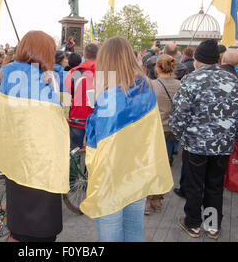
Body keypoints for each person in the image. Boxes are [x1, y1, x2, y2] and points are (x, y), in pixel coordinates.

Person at [80, 37, 173, 242]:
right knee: (133, 235)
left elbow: (98, 144)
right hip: (137, 175)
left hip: (111, 180)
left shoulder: (108, 98)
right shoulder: (146, 89)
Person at [0, 31, 70, 242]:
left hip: (16, 161)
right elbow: (57, 119)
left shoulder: (10, 75)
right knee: (41, 232)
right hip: (39, 167)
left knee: (18, 227)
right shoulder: (40, 83)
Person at [170, 39, 238, 240]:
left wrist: (180, 136)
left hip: (196, 144)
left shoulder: (191, 80)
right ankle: (212, 226)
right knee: (215, 185)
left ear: (198, 60)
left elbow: (180, 114)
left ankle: (193, 224)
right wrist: (235, 138)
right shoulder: (233, 80)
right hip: (223, 145)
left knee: (195, 185)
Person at [145, 55, 181, 216]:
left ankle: (146, 199)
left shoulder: (151, 85)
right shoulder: (180, 85)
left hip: (153, 128)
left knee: (148, 164)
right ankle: (157, 199)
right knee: (163, 164)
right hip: (171, 130)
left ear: (157, 68)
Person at [64, 43, 99, 150]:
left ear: (84, 54)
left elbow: (67, 95)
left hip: (77, 117)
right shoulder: (106, 72)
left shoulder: (74, 72)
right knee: (95, 153)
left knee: (74, 152)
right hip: (97, 118)